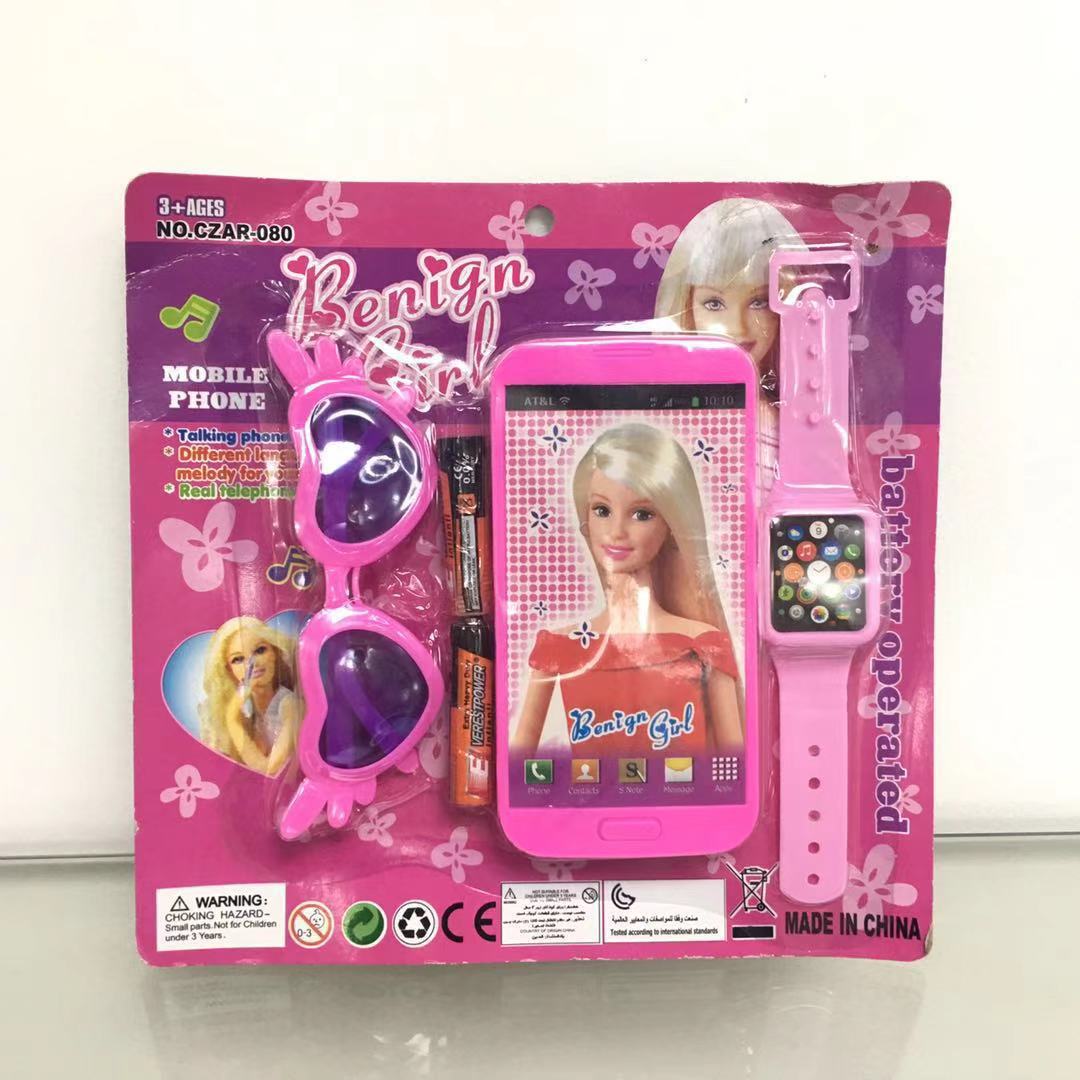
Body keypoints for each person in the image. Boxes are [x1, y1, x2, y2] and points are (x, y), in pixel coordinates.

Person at [512, 423, 743, 758]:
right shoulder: (559, 646)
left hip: (684, 791)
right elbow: (519, 763)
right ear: (586, 517)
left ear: (670, 525)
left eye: (642, 514)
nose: (617, 531)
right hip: (585, 791)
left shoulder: (703, 643)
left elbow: (733, 765)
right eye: (602, 510)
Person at [654, 197, 807, 492]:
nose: (736, 327)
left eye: (759, 302)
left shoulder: (789, 419)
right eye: (714, 303)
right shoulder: (670, 411)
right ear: (687, 307)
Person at [199, 616, 299, 774]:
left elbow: (268, 770)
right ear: (229, 671)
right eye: (238, 659)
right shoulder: (252, 716)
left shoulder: (289, 705)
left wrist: (232, 718)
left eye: (260, 650)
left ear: (275, 652)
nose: (252, 664)